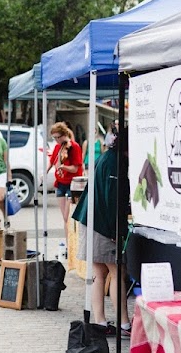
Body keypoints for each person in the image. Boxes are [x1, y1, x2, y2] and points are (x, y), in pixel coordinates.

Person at [72, 128, 130, 337]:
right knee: (117, 273)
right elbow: (111, 198)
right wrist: (115, 229)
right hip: (101, 224)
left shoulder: (107, 157)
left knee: (100, 273)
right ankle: (124, 323)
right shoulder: (115, 162)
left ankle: (100, 321)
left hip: (91, 220)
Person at [48, 122, 83, 227]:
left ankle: (71, 241)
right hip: (60, 183)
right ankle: (68, 241)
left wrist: (63, 167)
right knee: (64, 217)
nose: (56, 140)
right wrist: (45, 172)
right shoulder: (58, 147)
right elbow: (52, 161)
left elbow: (75, 168)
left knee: (68, 216)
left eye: (57, 137)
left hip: (71, 184)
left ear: (63, 135)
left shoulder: (74, 147)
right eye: (54, 138)